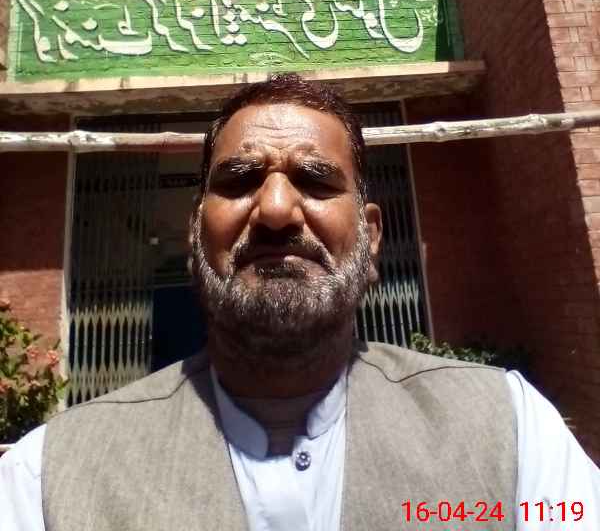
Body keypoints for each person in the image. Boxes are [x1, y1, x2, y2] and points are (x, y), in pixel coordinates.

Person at [1, 73, 599, 531]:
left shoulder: (512, 433)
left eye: (315, 180)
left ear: (371, 236)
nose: (276, 211)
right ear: (194, 234)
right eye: (239, 180)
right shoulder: (45, 481)